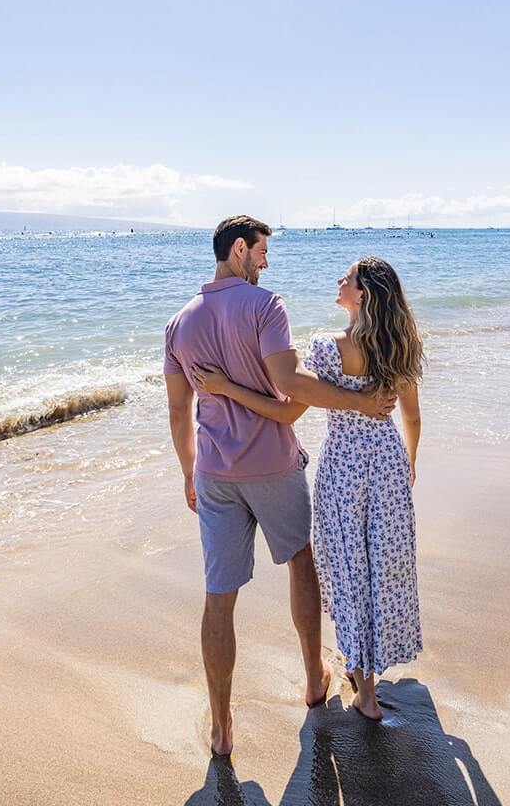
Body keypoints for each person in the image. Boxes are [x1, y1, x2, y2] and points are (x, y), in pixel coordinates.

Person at [164, 217, 396, 756]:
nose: (266, 262)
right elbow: (291, 387)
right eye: (262, 251)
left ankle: (222, 728)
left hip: (214, 473)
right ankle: (314, 680)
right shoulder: (265, 306)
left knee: (218, 597)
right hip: (272, 464)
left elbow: (179, 410)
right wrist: (361, 401)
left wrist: (187, 471)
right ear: (239, 249)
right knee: (300, 562)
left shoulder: (178, 322)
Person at [194, 256, 423, 722]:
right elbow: (412, 418)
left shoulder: (326, 347)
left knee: (347, 571)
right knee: (384, 570)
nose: (340, 281)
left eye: (348, 278)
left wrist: (225, 387)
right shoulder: (400, 346)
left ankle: (366, 692)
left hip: (342, 470)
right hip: (388, 465)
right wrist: (409, 465)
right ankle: (368, 689)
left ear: (363, 295)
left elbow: (284, 413)